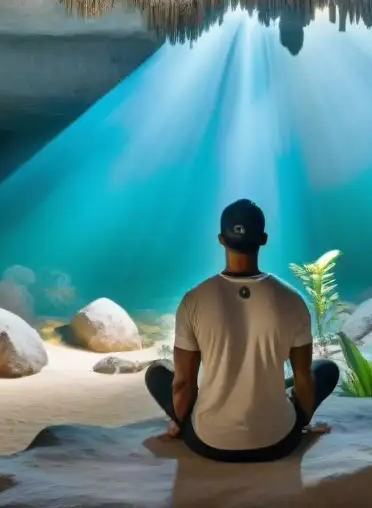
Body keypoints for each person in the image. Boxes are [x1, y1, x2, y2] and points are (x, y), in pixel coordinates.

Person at [144, 198, 340, 463]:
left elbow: (183, 383)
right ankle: (280, 409)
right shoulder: (292, 300)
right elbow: (304, 379)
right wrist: (301, 423)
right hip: (279, 442)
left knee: (157, 373)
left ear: (221, 239)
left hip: (208, 442)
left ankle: (185, 428)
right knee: (325, 370)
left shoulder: (194, 300)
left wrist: (181, 422)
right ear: (263, 239)